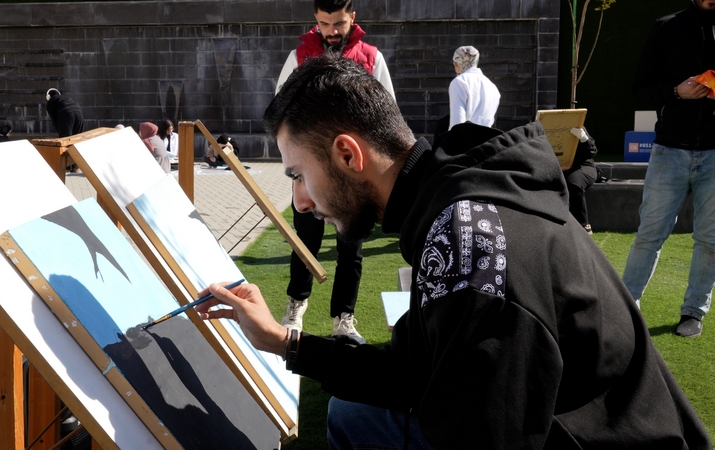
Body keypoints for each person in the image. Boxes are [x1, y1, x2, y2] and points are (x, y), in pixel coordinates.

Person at [193, 53, 711, 449]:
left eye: (298, 175)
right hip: (580, 419)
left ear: (348, 154)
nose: (300, 202)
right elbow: (414, 369)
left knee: (356, 420)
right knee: (351, 412)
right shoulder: (454, 198)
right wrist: (285, 341)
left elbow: (484, 435)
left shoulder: (469, 248)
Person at [276, 0, 397, 343]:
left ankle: (344, 318)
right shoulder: (299, 57)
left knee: (350, 248)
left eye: (339, 23)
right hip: (310, 168)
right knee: (305, 243)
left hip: (352, 172)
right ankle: (296, 306)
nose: (332, 31)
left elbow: (389, 112)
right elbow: (279, 111)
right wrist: (295, 164)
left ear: (352, 18)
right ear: (316, 19)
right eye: (325, 23)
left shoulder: (371, 58)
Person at [622, 0, 715, 338]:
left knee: (710, 239)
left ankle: (693, 311)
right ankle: (626, 307)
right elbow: (641, 87)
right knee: (650, 233)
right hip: (670, 150)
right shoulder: (667, 26)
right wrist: (677, 92)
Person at [448, 45, 501, 130]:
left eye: (454, 63)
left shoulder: (459, 82)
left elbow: (457, 121)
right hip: (487, 136)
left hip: (465, 136)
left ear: (458, 63)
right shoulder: (492, 87)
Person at [563, 127, 598, 235]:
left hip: (582, 166)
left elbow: (591, 152)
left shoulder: (576, 125)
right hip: (557, 166)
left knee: (573, 182)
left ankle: (583, 225)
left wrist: (583, 138)